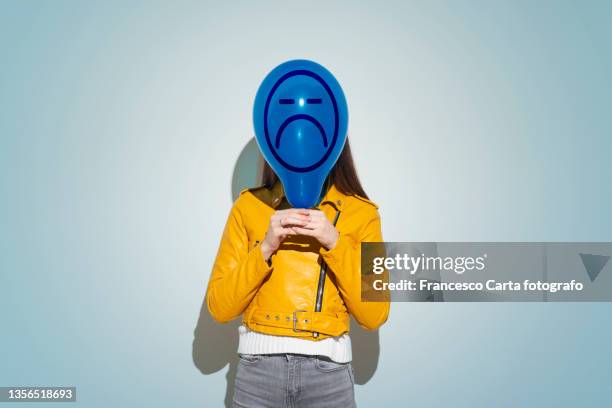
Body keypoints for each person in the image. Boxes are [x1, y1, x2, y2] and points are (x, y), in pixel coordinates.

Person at [206, 139, 390, 407]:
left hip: (329, 378)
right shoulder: (247, 207)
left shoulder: (363, 214)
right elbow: (220, 308)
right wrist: (265, 248)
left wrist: (335, 243)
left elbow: (375, 315)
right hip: (257, 376)